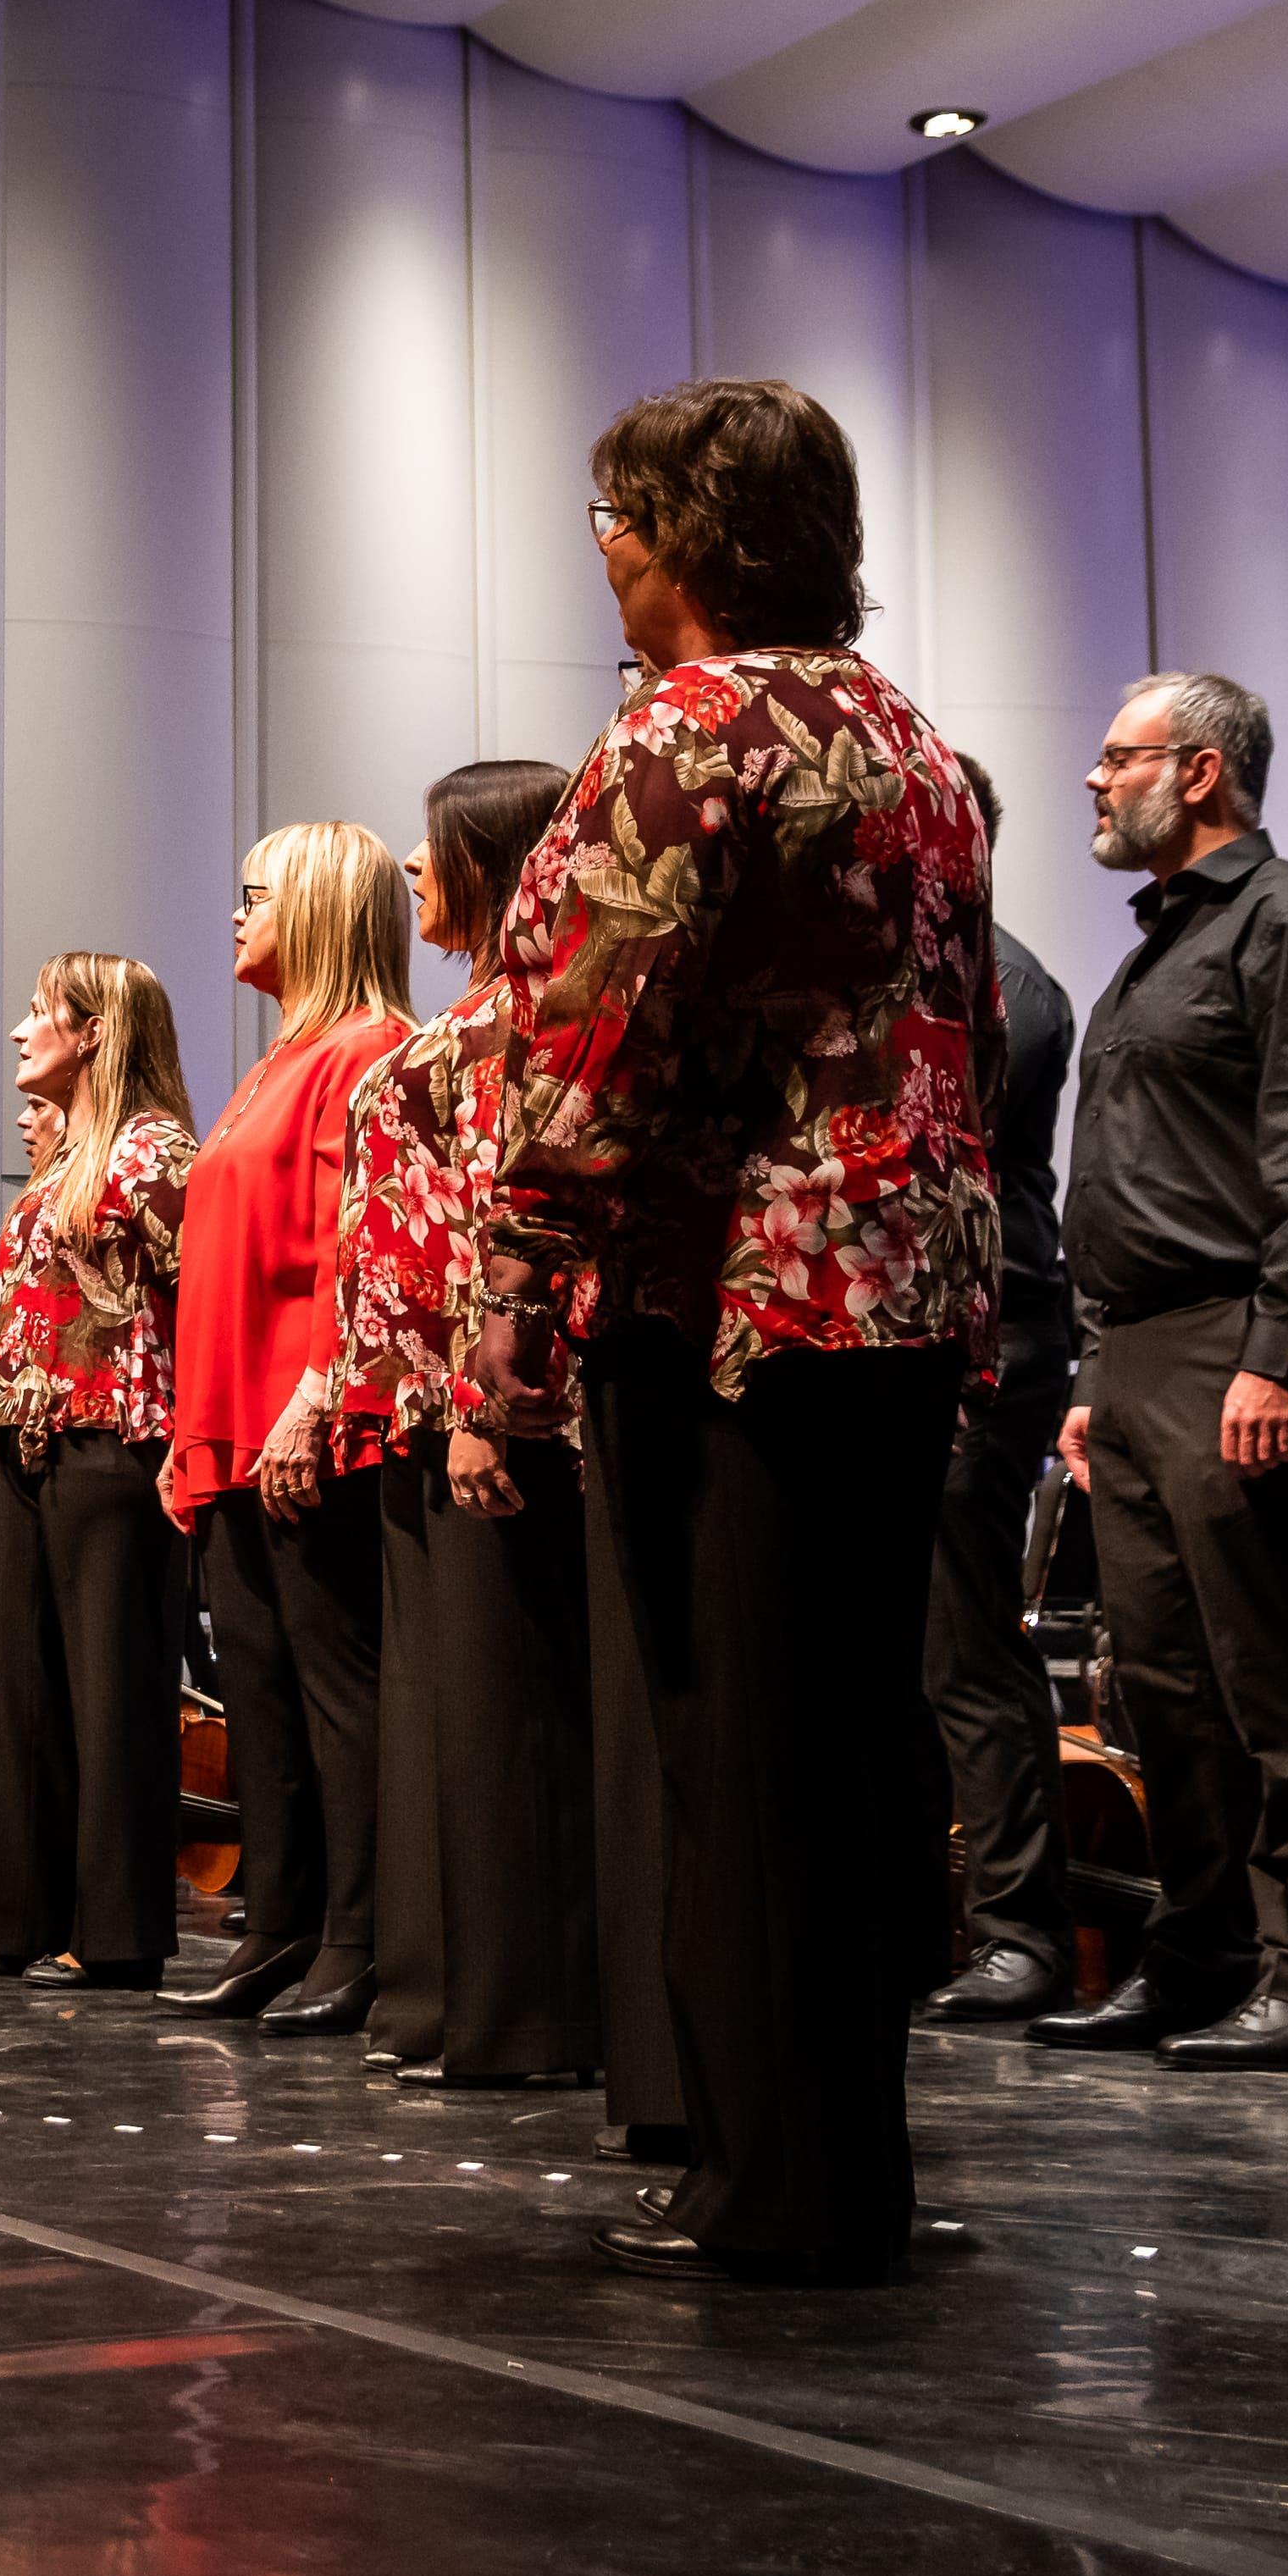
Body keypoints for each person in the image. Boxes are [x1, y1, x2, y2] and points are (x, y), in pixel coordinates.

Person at [500, 379, 1000, 2284]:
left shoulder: (692, 727)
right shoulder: (918, 742)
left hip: (733, 1302)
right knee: (853, 1733)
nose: (609, 558)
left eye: (619, 524)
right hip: (900, 1289)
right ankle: (841, 2164)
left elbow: (583, 1042)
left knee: (736, 1738)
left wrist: (514, 1305)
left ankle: (771, 2186)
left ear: (693, 542)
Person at [1036, 671, 1288, 2070]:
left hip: (1230, 1343)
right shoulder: (1151, 949)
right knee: (1161, 1681)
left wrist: (1274, 1353)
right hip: (1127, 1355)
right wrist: (1086, 1370)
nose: (1090, 778)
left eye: (1113, 756)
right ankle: (1198, 1953)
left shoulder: (1287, 919)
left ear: (1197, 772)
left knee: (1265, 1669)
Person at [336, 760, 638, 2106]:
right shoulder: (480, 1026)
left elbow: (480, 1239)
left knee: (517, 1720)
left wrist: (475, 1411)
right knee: (468, 1719)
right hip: (439, 1406)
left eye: (435, 848)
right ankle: (457, 1993)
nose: (412, 870)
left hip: (498, 1410)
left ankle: (528, 2009)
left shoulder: (510, 1034)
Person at [163, 826, 416, 2030]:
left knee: (335, 1688)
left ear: (313, 911)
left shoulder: (366, 1053)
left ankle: (362, 1938)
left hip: (302, 1425)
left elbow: (349, 1247)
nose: (233, 914)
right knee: (256, 1688)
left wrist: (316, 1393)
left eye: (252, 895)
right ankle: (280, 1923)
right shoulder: (277, 1059)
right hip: (228, 1424)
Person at [0, 956, 202, 1991]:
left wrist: (191, 1443)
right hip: (32, 1442)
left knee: (109, 1689)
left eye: (40, 1014)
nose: (19, 1032)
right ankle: (19, 1910)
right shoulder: (64, 1156)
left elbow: (200, 1300)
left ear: (97, 1032)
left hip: (114, 1444)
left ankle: (112, 1929)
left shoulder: (151, 1153)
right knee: (18, 1683)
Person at [913, 759, 1080, 2026]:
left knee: (967, 1642)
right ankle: (934, 1918)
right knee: (914, 1643)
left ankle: (1023, 1933)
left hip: (992, 1330)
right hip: (930, 1328)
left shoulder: (1003, 981)